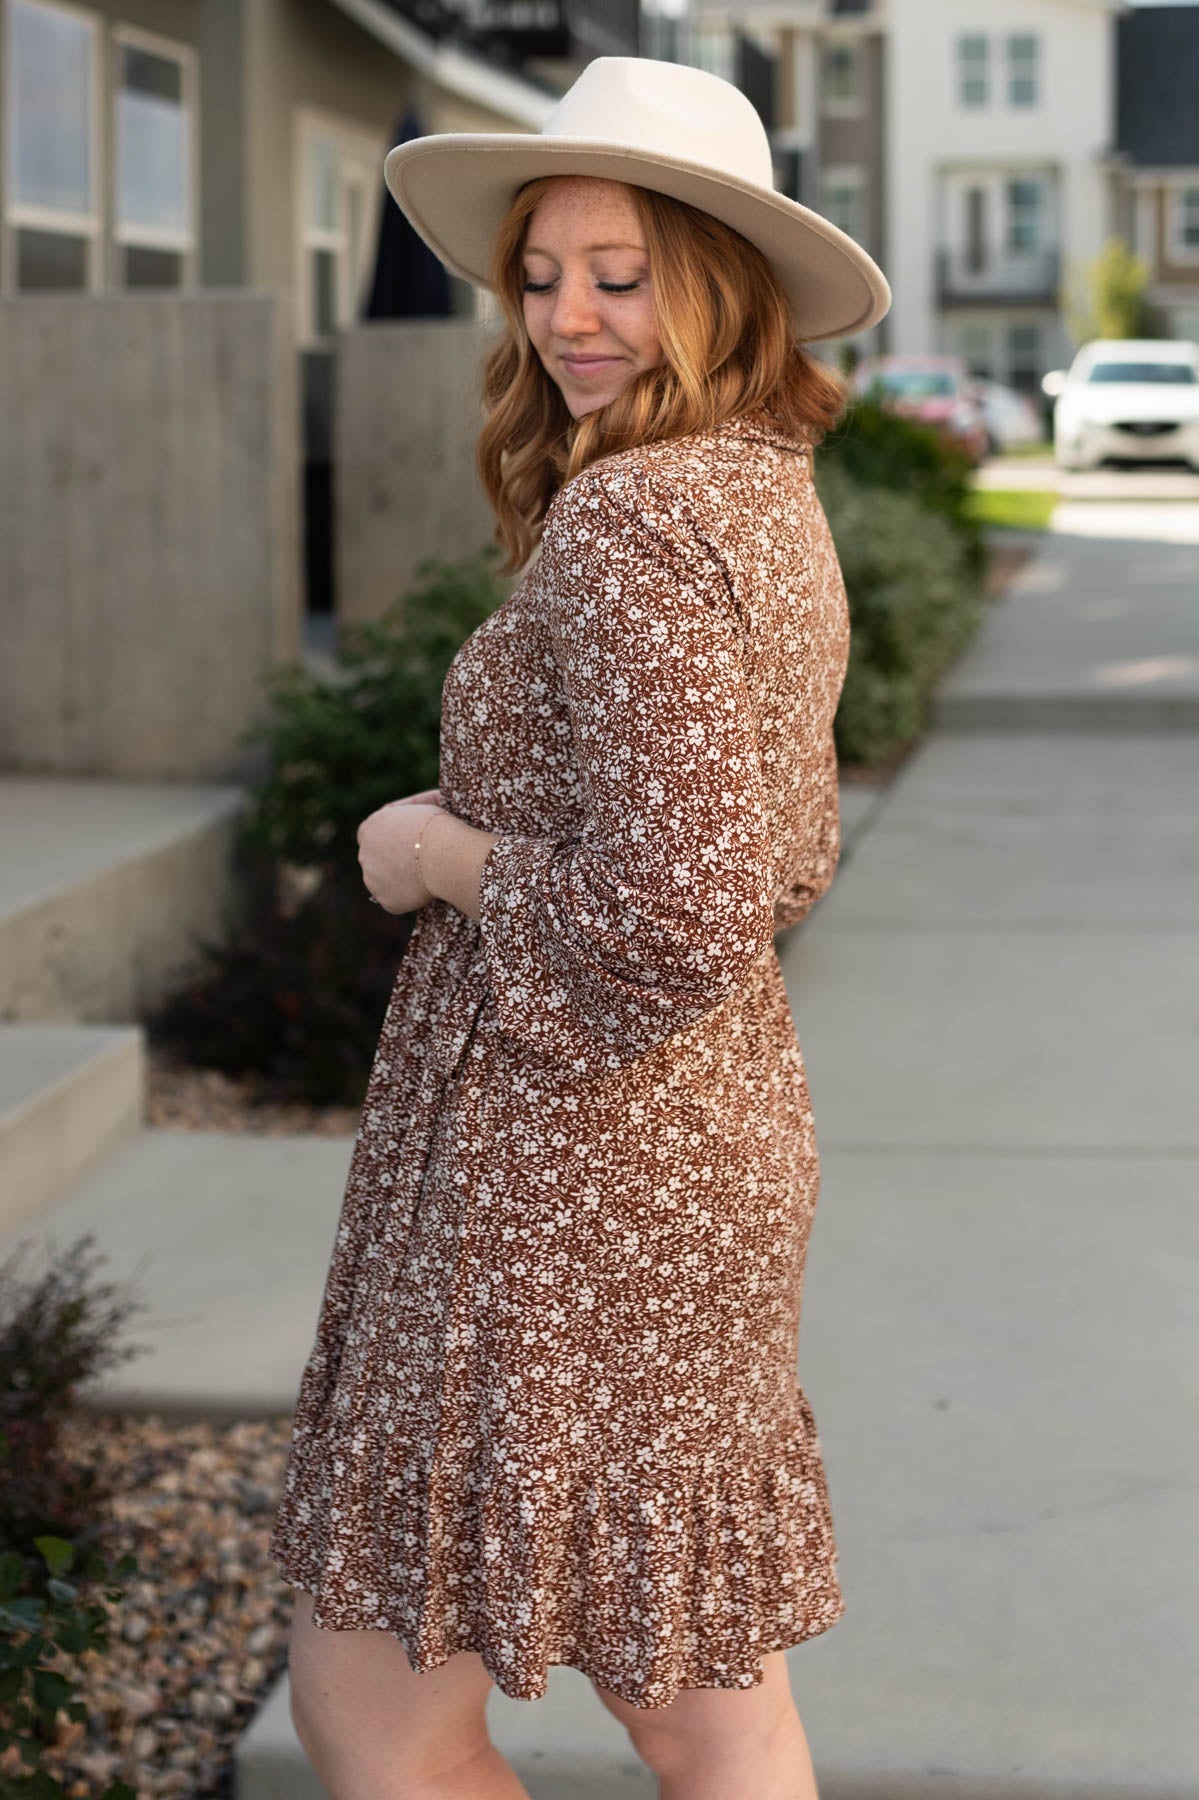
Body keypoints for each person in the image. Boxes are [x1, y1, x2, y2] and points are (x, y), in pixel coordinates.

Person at [268, 54, 891, 1800]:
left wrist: (433, 851)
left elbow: (675, 910)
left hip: (573, 1180)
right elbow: (776, 860)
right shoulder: (761, 492)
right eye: (542, 276)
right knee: (707, 1700)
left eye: (619, 274)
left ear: (714, 275)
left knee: (374, 1711)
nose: (568, 317)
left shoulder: (635, 517)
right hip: (690, 1147)